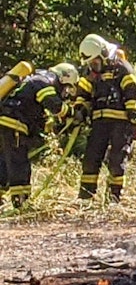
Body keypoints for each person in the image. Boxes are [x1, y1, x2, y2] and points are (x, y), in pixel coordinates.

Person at [0, 63, 79, 208]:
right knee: (19, 164)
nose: (65, 92)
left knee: (4, 162)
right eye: (66, 87)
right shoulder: (44, 82)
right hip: (14, 124)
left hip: (5, 122)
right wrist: (73, 113)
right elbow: (55, 105)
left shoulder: (34, 79)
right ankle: (21, 203)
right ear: (63, 78)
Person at [75, 34, 136, 201]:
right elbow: (83, 93)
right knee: (91, 158)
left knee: (116, 160)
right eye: (90, 63)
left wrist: (133, 118)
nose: (93, 66)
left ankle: (114, 197)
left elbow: (131, 92)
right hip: (99, 122)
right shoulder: (90, 73)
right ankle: (86, 197)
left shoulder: (121, 68)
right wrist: (80, 109)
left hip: (121, 122)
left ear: (104, 54)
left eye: (95, 62)